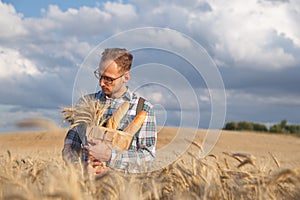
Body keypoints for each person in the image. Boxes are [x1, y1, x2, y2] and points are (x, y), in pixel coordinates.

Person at [62, 48, 157, 174]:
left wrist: (110, 156)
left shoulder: (143, 108)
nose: (101, 83)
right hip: (85, 186)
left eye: (109, 79)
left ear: (126, 77)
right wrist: (82, 168)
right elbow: (69, 147)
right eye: (100, 76)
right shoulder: (86, 104)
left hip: (124, 188)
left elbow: (148, 158)